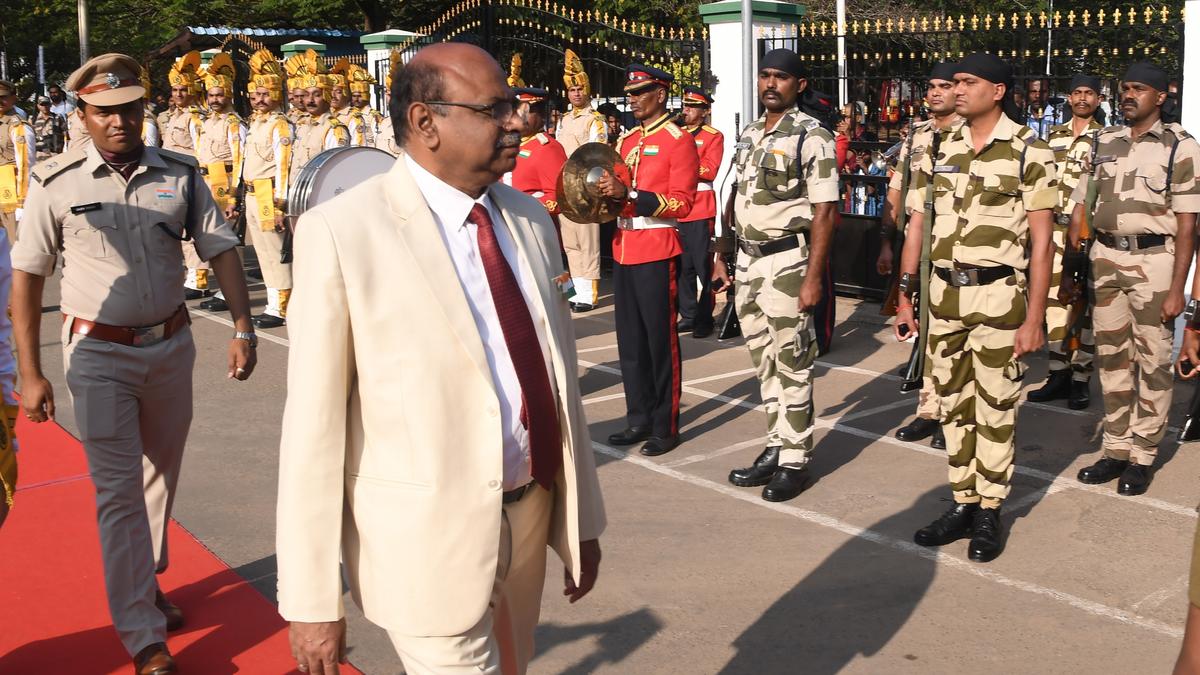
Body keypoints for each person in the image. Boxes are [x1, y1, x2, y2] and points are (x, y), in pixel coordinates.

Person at [276, 42, 605, 675]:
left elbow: (557, 381)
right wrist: (312, 597)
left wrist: (580, 518)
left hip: (528, 515)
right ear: (425, 122)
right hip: (423, 541)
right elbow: (313, 431)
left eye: (513, 107)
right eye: (494, 110)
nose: (517, 122)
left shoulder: (530, 220)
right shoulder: (345, 232)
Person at [12, 53, 257, 675]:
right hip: (96, 353)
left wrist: (242, 325)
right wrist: (29, 370)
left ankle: (143, 583)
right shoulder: (55, 180)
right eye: (104, 112)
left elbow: (221, 247)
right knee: (118, 493)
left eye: (128, 109)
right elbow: (28, 276)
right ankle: (144, 635)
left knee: (158, 477)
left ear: (142, 110)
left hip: (171, 348)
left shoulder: (179, 172)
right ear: (84, 117)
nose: (118, 122)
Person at [895, 53, 1057, 563]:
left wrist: (1035, 319)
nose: (958, 90)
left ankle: (990, 510)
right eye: (956, 82)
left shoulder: (1031, 150)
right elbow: (918, 225)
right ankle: (963, 501)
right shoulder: (941, 147)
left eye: (969, 82)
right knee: (953, 406)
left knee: (995, 407)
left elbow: (1043, 241)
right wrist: (907, 296)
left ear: (999, 90)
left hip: (998, 300)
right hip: (944, 299)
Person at [711, 49, 838, 502]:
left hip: (787, 263)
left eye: (780, 77)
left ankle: (795, 461)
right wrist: (722, 253)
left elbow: (825, 211)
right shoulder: (748, 134)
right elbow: (735, 196)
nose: (770, 83)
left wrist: (813, 278)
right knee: (763, 360)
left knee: (793, 362)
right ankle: (776, 443)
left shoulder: (813, 136)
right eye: (764, 74)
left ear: (798, 85)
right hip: (747, 261)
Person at [1070, 62, 1200, 496]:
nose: (1128, 95)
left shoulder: (1180, 147)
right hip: (1105, 257)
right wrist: (1076, 257)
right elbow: (1082, 202)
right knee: (1111, 359)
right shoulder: (1103, 140)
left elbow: (1187, 225)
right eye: (1124, 88)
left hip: (1154, 265)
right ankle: (1116, 448)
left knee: (1153, 361)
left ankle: (1143, 454)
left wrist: (1178, 289)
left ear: (1160, 96)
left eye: (1138, 89)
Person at [596, 63, 698, 458]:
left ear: (660, 94)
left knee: (659, 342)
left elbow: (683, 202)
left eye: (640, 92)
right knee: (631, 342)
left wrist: (633, 195)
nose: (633, 99)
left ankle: (663, 425)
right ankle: (637, 416)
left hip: (656, 246)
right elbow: (617, 193)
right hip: (624, 246)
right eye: (631, 93)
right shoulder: (626, 141)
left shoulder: (677, 140)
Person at [879, 63, 962, 451]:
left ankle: (954, 413)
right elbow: (898, 189)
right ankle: (929, 409)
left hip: (956, 247)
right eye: (930, 86)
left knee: (953, 336)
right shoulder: (917, 135)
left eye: (944, 86)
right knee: (924, 331)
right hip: (917, 243)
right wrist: (886, 243)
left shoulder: (969, 135)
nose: (934, 93)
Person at [1026, 74, 1104, 409]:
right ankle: (1057, 372)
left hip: (1087, 234)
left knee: (1083, 307)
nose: (1082, 98)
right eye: (1077, 93)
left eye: (1089, 93)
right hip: (1054, 233)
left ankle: (1081, 378)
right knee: (1054, 306)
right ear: (1069, 98)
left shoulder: (1105, 139)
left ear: (1098, 100)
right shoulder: (1052, 137)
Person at [204, 48, 295, 329]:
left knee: (274, 251)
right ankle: (273, 303)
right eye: (255, 96)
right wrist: (235, 195)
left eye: (265, 95)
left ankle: (282, 307)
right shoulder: (256, 123)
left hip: (268, 193)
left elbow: (282, 167)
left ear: (276, 95)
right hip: (253, 193)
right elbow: (243, 162)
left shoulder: (280, 125)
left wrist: (280, 204)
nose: (258, 100)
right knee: (264, 253)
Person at [193, 53, 248, 315]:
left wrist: (235, 196)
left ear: (229, 95)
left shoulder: (234, 124)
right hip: (206, 181)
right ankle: (222, 288)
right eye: (211, 95)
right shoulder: (207, 122)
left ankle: (232, 290)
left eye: (219, 95)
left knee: (227, 239)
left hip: (224, 183)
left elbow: (239, 160)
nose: (214, 100)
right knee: (213, 237)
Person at [556, 49, 607, 312]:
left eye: (579, 88)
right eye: (571, 89)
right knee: (571, 243)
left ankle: (589, 293)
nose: (576, 93)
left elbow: (596, 154)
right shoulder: (563, 120)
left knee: (588, 243)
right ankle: (576, 290)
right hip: (565, 187)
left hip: (586, 187)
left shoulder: (595, 120)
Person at [161, 51, 213, 300]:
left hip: (190, 179)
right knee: (178, 228)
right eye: (175, 90)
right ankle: (191, 273)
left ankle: (200, 277)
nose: (178, 94)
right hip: (171, 179)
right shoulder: (174, 117)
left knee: (192, 230)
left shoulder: (196, 118)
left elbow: (201, 153)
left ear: (192, 90)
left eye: (183, 90)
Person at [676, 85, 724, 339]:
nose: (687, 111)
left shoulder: (712, 136)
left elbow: (709, 170)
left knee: (703, 266)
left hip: (700, 206)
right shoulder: (677, 134)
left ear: (705, 111)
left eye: (693, 107)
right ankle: (689, 314)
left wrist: (681, 164)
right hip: (678, 207)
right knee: (683, 267)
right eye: (686, 106)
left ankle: (705, 317)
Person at [288, 50, 350, 196]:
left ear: (327, 96)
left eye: (317, 95)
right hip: (296, 194)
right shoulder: (302, 126)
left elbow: (336, 170)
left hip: (317, 194)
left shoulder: (333, 129)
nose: (310, 100)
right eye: (307, 95)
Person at [504, 87, 567, 219]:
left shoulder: (547, 148)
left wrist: (524, 206)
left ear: (542, 115)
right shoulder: (508, 144)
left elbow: (560, 198)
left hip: (533, 224)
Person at [0, 80, 35, 244]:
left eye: (3, 97)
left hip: (11, 194)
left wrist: (23, 201)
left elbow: (26, 165)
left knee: (15, 244)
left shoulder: (18, 125)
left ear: (14, 98)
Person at [330, 59, 372, 146]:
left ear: (346, 94)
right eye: (330, 91)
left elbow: (357, 148)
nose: (333, 96)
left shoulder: (353, 118)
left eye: (338, 92)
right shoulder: (325, 116)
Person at [374, 49, 402, 157]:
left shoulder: (411, 125)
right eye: (387, 94)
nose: (390, 99)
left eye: (394, 95)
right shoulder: (384, 123)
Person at [31, 95, 66, 160]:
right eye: (42, 105)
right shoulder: (33, 120)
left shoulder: (58, 117)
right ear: (38, 106)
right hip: (39, 155)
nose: (45, 107)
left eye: (46, 104)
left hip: (56, 154)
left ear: (50, 105)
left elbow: (66, 134)